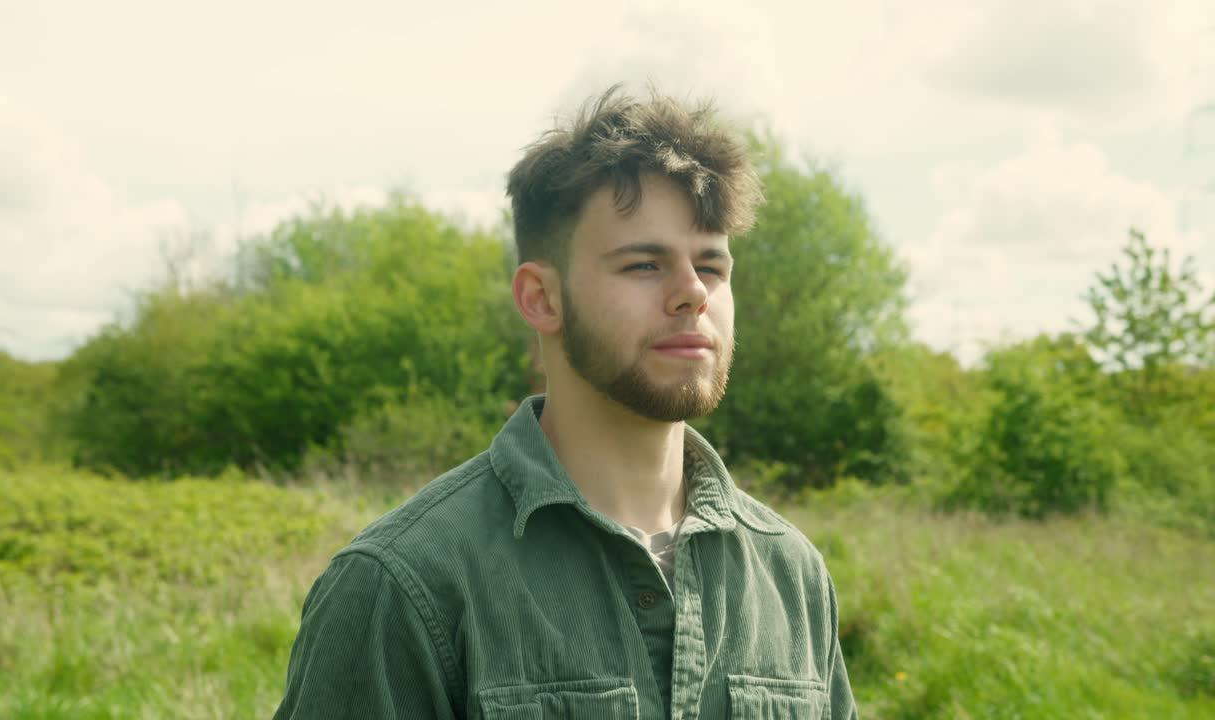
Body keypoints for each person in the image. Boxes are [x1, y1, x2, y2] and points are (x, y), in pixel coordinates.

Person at [273, 85, 858, 719]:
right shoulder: (402, 585)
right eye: (644, 265)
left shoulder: (791, 575)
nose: (693, 293)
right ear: (541, 299)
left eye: (712, 268)